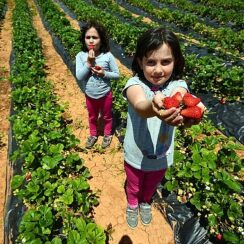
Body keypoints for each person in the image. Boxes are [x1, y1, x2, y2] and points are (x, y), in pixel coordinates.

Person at [122, 27, 205, 228]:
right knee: (134, 184)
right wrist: (154, 105)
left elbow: (181, 94)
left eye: (165, 62)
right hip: (136, 154)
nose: (158, 69)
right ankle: (133, 203)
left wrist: (196, 111)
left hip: (162, 154)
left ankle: (145, 201)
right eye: (151, 62)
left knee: (151, 184)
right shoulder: (134, 84)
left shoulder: (177, 86)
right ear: (140, 62)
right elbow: (141, 106)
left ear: (175, 61)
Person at [76, 20, 120, 149]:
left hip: (105, 94)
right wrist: (89, 63)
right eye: (87, 37)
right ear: (84, 39)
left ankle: (107, 134)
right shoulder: (80, 56)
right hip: (90, 95)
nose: (91, 40)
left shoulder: (108, 56)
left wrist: (104, 74)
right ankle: (93, 134)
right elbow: (79, 76)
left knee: (106, 116)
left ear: (101, 40)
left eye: (94, 37)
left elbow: (117, 75)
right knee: (92, 116)